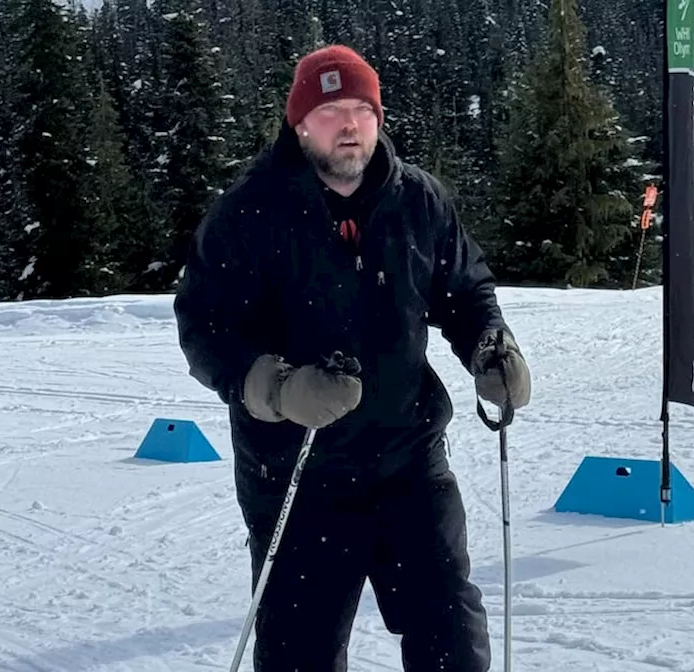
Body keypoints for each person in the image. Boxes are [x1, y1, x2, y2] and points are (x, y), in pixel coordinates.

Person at [172, 44, 531, 671]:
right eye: (330, 110)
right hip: (296, 477)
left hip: (409, 464)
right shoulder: (249, 213)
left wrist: (490, 346)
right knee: (299, 656)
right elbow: (204, 328)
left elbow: (465, 290)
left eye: (362, 109)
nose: (348, 125)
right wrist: (278, 388)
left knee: (451, 636)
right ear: (299, 122)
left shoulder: (420, 201)